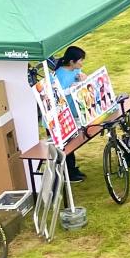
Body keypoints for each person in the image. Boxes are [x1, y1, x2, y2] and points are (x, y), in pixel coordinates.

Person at [52, 45, 88, 182]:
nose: (81, 63)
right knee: (66, 146)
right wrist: (71, 88)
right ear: (72, 62)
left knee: (72, 143)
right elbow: (57, 95)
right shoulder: (59, 75)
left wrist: (83, 79)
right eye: (80, 60)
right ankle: (68, 174)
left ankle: (72, 169)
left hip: (73, 114)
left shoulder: (76, 70)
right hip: (61, 118)